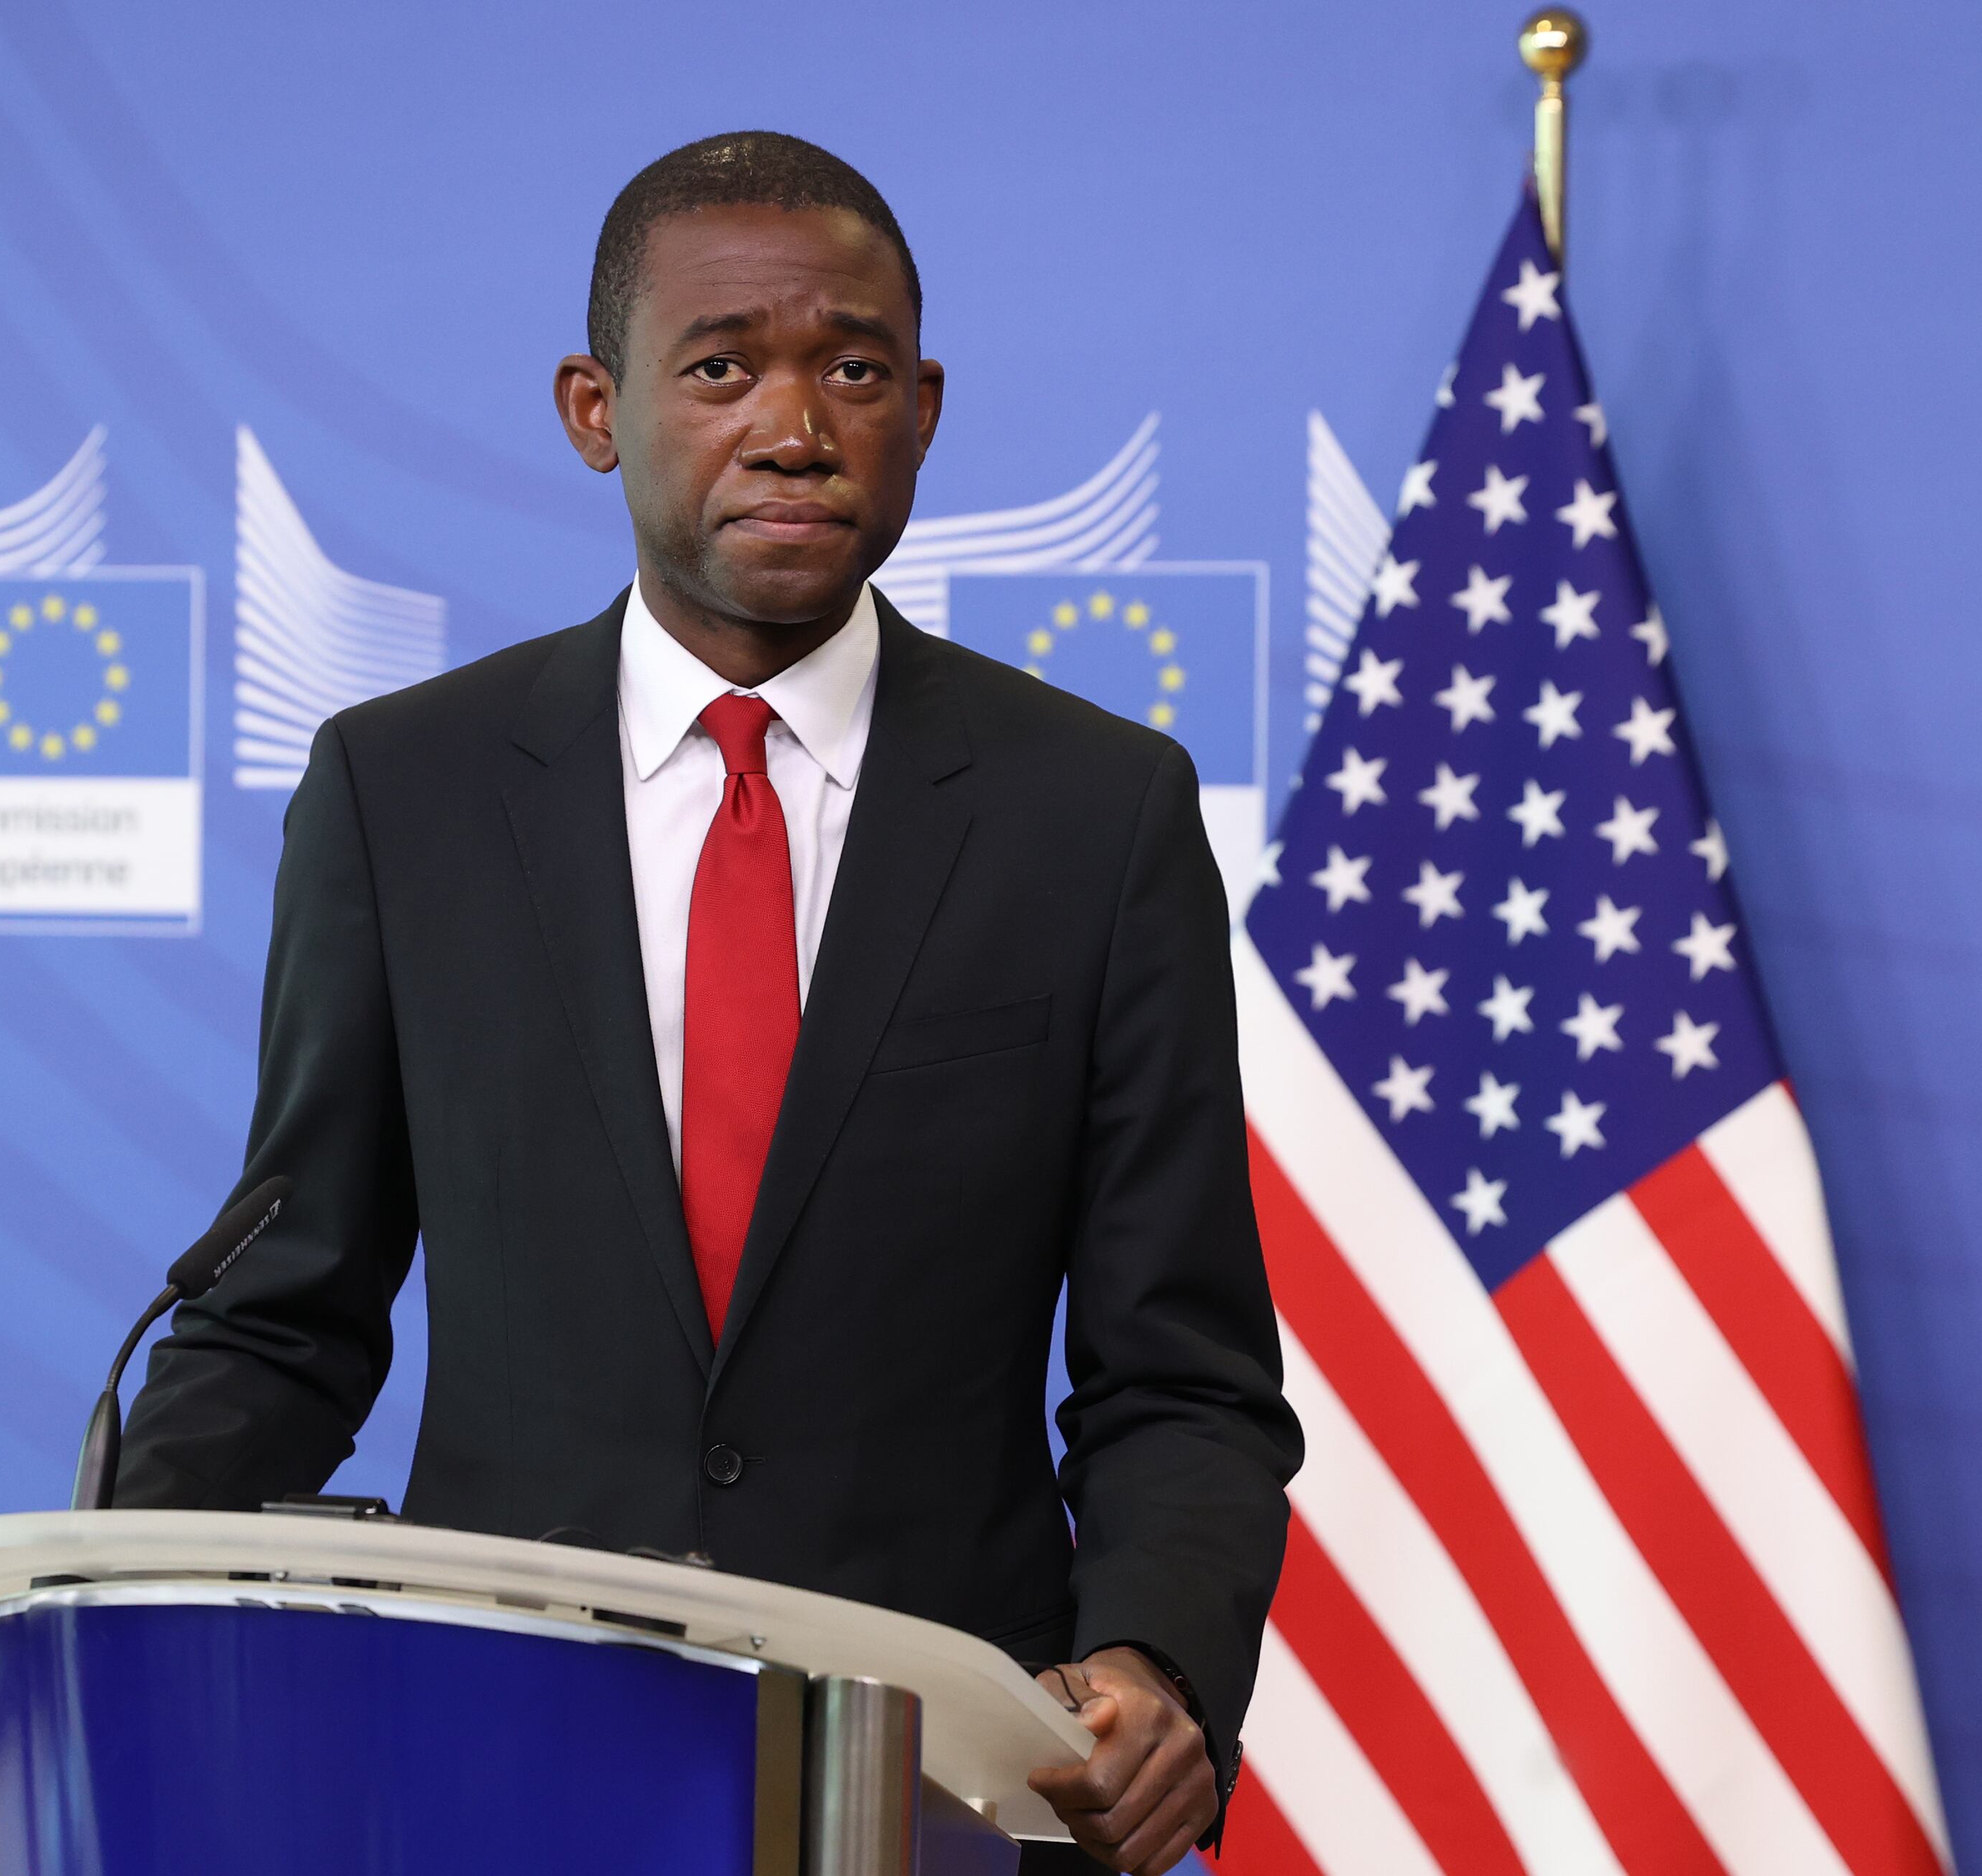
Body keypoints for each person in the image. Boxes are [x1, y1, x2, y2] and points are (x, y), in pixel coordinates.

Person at [117, 130, 1300, 1875]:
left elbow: (1179, 1371)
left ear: (925, 404)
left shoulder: (1094, 812)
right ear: (596, 408)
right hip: (500, 1769)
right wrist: (115, 1602)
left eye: (854, 367)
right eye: (722, 366)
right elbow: (287, 1304)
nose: (794, 426)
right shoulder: (408, 790)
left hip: (948, 1787)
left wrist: (1152, 1657)